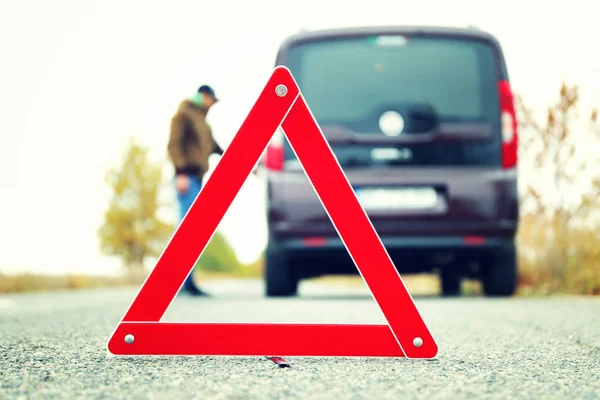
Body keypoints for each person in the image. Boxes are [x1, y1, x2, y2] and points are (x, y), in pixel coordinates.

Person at [167, 84, 223, 296]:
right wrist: (180, 172)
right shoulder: (184, 115)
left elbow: (213, 145)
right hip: (187, 177)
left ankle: (188, 281)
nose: (212, 104)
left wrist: (236, 158)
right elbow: (174, 145)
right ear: (203, 96)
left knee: (194, 230)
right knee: (186, 229)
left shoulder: (201, 120)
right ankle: (177, 282)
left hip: (198, 179)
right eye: (211, 99)